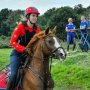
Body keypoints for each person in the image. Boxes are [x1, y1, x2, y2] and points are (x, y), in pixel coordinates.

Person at [7, 6, 41, 90]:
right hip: (17, 54)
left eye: (36, 16)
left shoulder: (37, 30)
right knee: (14, 74)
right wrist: (24, 49)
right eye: (33, 15)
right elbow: (12, 42)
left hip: (30, 55)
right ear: (28, 16)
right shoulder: (20, 27)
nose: (35, 18)